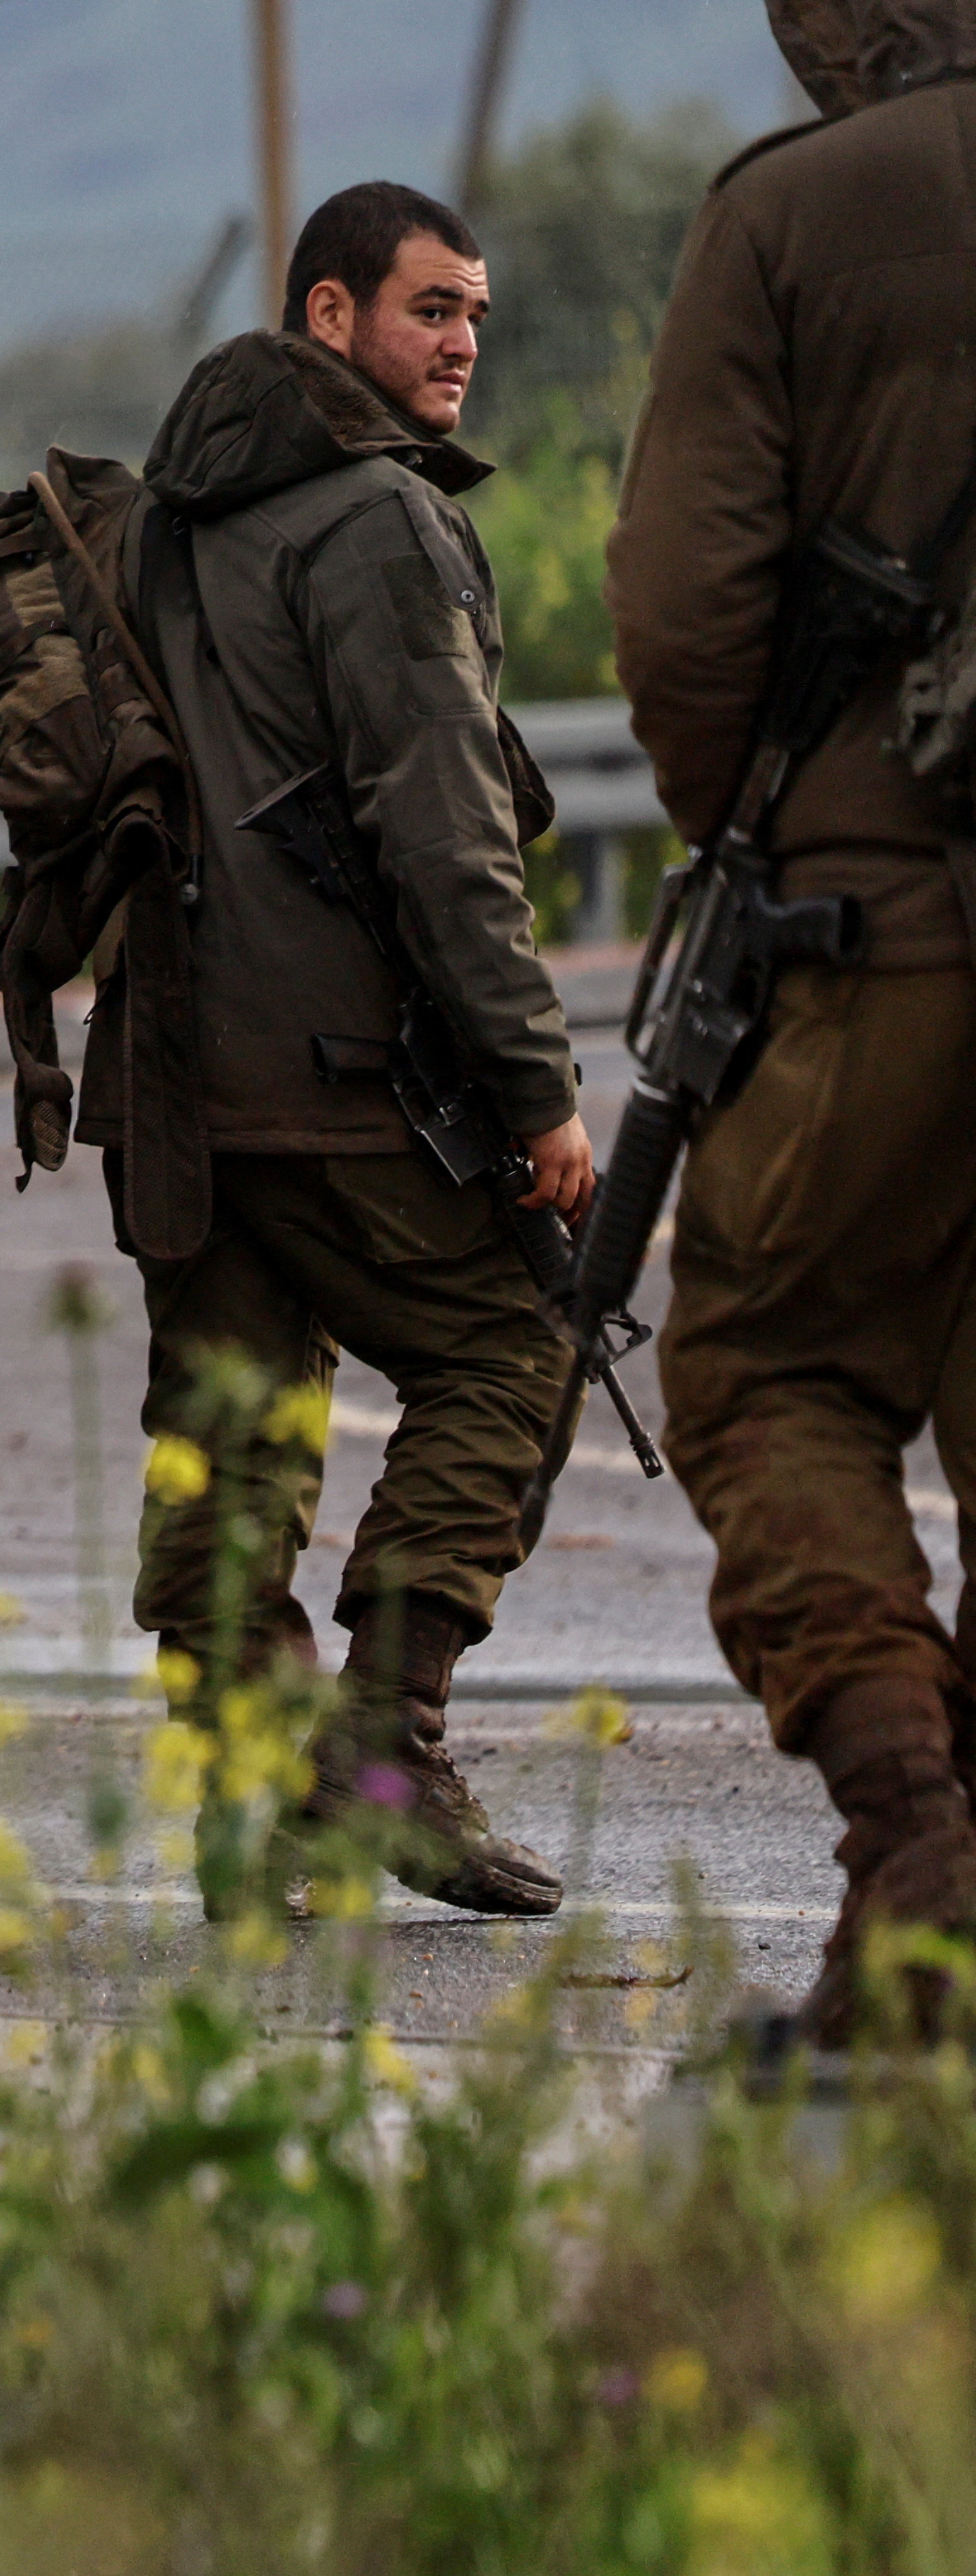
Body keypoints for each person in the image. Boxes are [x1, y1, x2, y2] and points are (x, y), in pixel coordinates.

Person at [104, 181, 584, 1915]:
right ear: (326, 316)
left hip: (172, 1068)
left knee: (226, 1430)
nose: (459, 343)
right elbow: (445, 836)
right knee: (520, 1347)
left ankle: (251, 1803)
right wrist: (532, 1085)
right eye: (426, 309)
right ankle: (382, 1751)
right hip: (332, 1067)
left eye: (471, 313)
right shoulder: (375, 520)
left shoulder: (169, 517)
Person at [609, 0, 976, 2044]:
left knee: (762, 1368)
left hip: (880, 932)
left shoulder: (795, 216)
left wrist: (762, 823)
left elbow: (680, 611)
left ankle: (914, 1850)